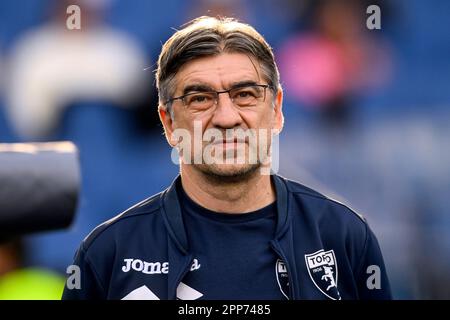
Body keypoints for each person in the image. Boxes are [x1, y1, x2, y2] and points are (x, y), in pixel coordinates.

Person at [62, 16, 391, 300]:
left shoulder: (344, 236)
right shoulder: (109, 254)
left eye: (245, 95)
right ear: (169, 122)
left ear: (276, 110)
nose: (226, 117)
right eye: (200, 98)